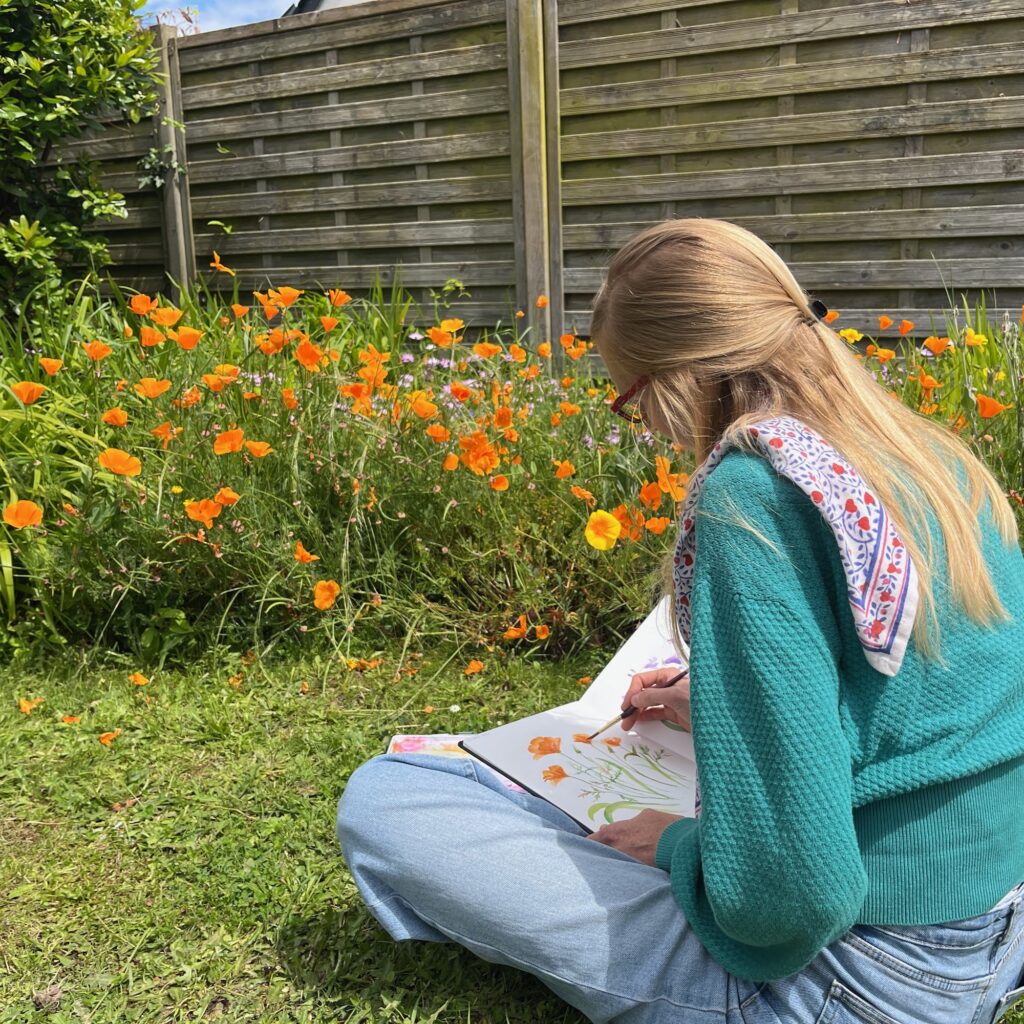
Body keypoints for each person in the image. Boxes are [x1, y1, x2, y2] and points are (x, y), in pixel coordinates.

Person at [336, 218, 1024, 1023]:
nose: (651, 434)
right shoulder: (930, 459)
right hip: (997, 921)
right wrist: (720, 707)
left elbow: (793, 898)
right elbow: (924, 700)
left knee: (392, 803)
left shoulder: (754, 498)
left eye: (631, 403)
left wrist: (675, 847)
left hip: (853, 980)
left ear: (675, 379)